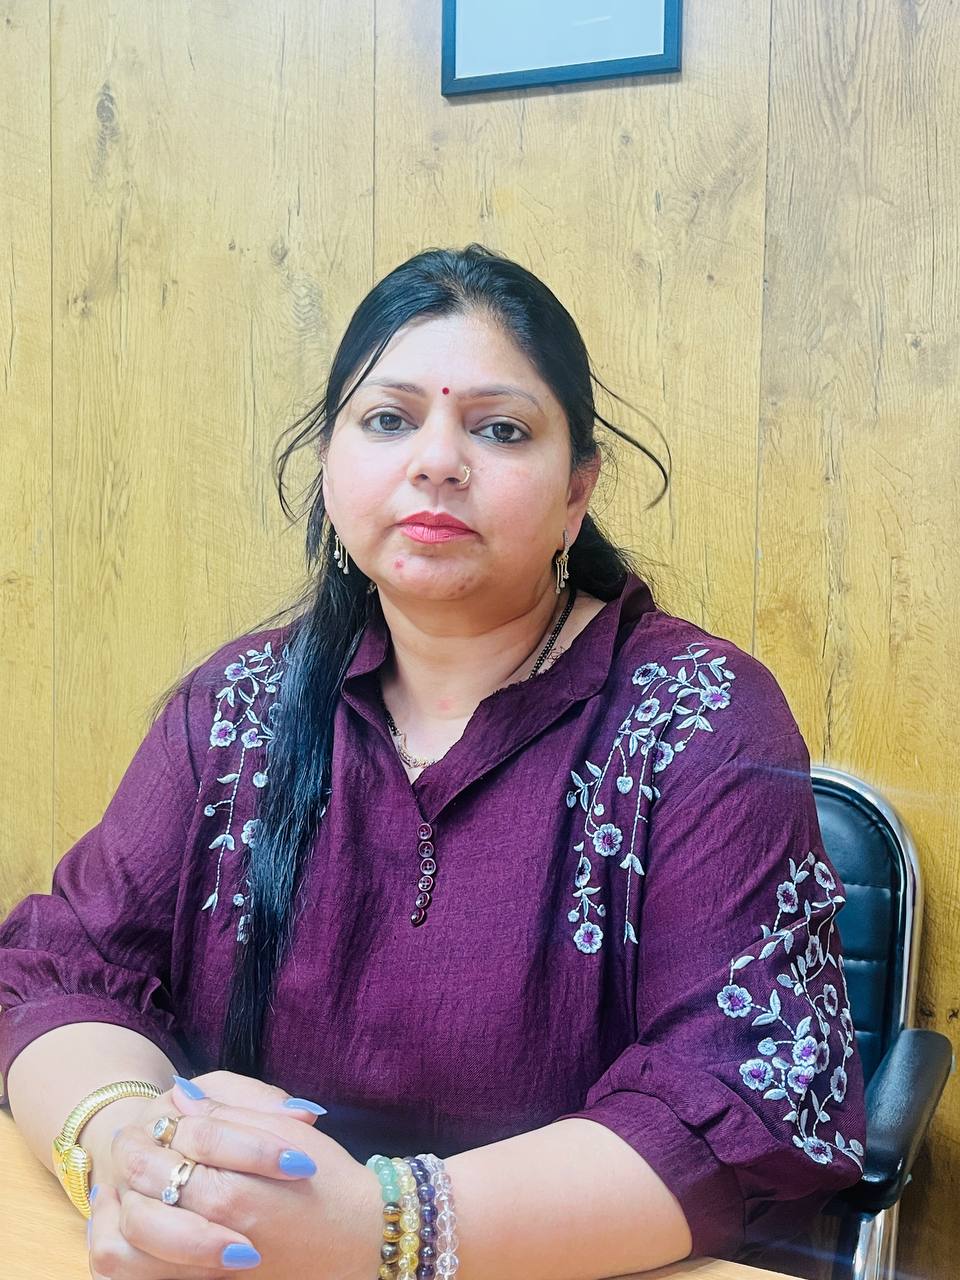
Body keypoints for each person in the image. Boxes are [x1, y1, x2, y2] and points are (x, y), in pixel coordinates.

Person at [0, 244, 865, 1280]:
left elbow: (739, 1101)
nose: (437, 461)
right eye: (388, 419)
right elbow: (58, 974)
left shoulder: (702, 717)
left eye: (500, 429)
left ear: (577, 490)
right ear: (330, 466)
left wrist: (381, 1225)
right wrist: (123, 1139)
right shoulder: (238, 706)